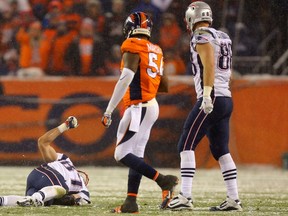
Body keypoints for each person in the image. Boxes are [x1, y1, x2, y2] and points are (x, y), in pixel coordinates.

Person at [167, 1, 242, 212]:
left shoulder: (201, 36)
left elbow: (209, 63)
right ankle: (233, 198)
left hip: (212, 97)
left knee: (185, 144)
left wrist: (207, 94)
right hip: (225, 97)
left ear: (192, 18)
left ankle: (186, 196)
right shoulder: (223, 36)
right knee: (220, 150)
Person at [101, 11, 178, 213]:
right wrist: (147, 83)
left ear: (128, 28)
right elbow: (165, 85)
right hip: (151, 105)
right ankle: (131, 202)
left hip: (139, 107)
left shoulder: (132, 45)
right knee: (137, 154)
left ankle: (163, 180)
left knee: (120, 154)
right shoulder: (156, 49)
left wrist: (109, 110)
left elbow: (126, 77)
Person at [0, 116, 90, 207]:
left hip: (36, 175)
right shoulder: (83, 188)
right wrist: (70, 199)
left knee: (29, 202)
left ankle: (2, 200)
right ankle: (38, 197)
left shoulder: (64, 160)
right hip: (49, 176)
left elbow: (42, 142)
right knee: (62, 190)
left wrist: (65, 125)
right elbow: (74, 199)